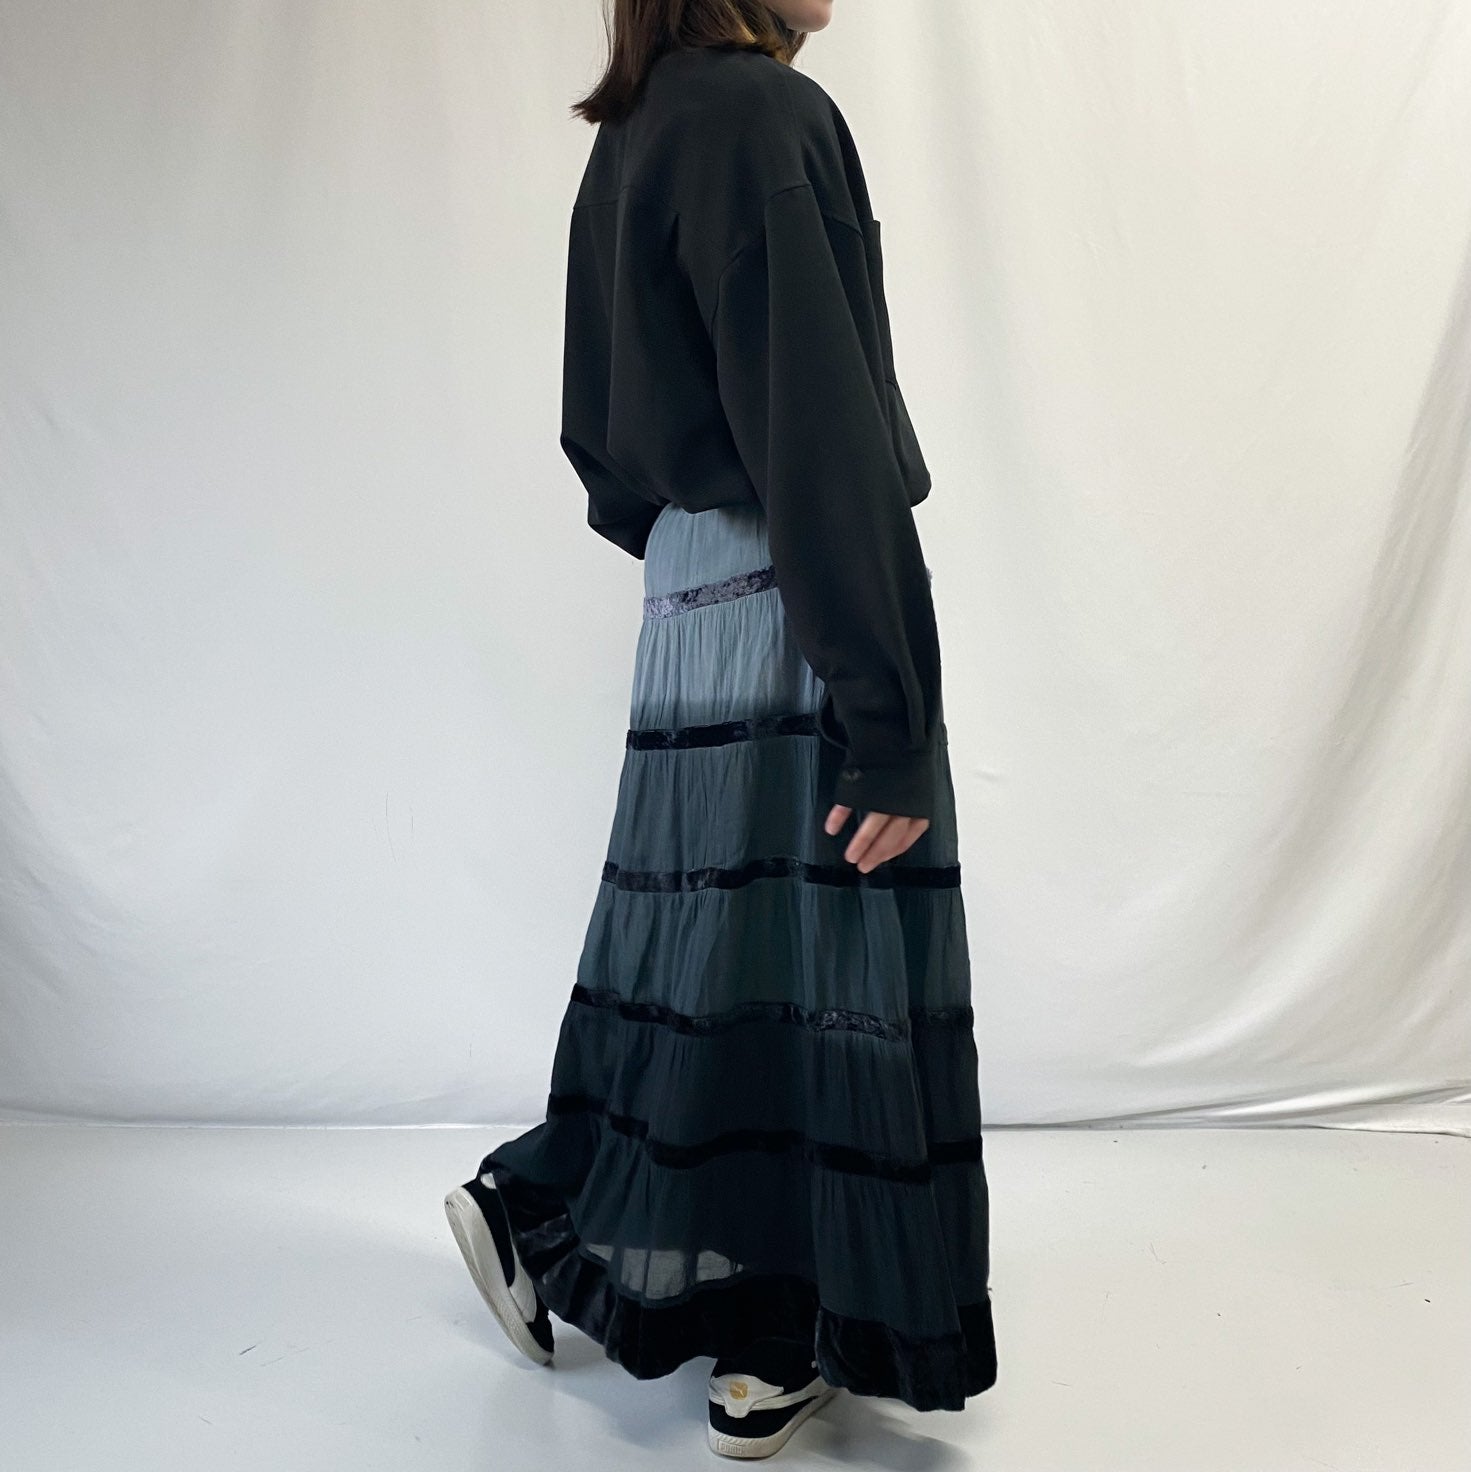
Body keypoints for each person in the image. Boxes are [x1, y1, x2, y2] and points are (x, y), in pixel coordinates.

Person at [443, 0, 996, 1457]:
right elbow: (821, 432)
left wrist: (699, 561)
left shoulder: (639, 129)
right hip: (788, 575)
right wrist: (886, 714)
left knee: (709, 953)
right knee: (818, 956)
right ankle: (768, 1333)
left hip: (695, 583)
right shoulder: (765, 117)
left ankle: (546, 1198)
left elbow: (598, 433)